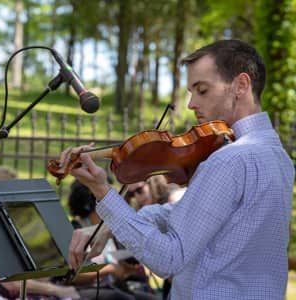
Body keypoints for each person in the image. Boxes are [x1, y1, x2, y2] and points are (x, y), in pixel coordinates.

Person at [58, 39, 295, 299]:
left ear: (241, 85)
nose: (192, 103)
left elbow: (169, 258)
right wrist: (108, 227)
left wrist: (102, 190)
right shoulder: (277, 155)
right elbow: (186, 213)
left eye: (202, 90)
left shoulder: (230, 160)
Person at [67, 180, 159, 300]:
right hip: (85, 289)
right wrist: (110, 269)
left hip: (113, 286)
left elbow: (120, 261)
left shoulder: (109, 228)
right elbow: (70, 276)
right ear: (92, 203)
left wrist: (126, 268)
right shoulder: (76, 230)